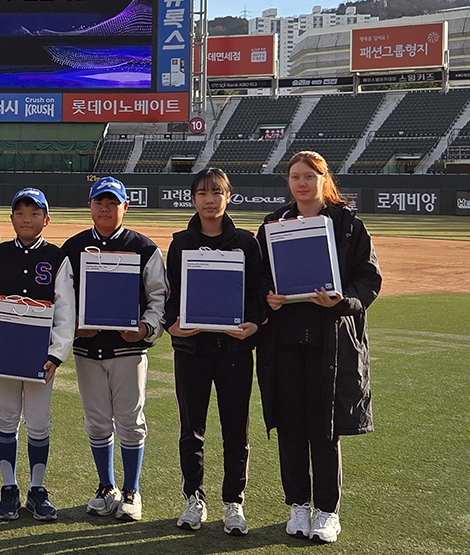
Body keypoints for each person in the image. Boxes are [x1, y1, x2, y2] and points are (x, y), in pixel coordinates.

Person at [256, 151, 381, 544]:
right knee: (291, 425)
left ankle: (328, 511)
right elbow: (258, 278)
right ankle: (297, 505)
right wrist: (268, 297)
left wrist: (341, 301)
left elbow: (369, 280)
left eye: (310, 176)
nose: (302, 183)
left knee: (325, 430)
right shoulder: (273, 223)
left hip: (331, 341)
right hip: (286, 340)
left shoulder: (348, 225)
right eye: (295, 176)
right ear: (288, 182)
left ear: (324, 180)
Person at [161, 168, 265, 535]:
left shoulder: (247, 243)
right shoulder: (180, 243)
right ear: (193, 199)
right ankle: (194, 498)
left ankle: (233, 502)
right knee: (192, 429)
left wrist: (253, 323)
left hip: (234, 351)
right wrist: (172, 323)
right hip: (191, 350)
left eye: (217, 192)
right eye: (203, 193)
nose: (210, 199)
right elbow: (168, 298)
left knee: (236, 429)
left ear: (228, 196)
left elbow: (257, 296)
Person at [0, 188, 76, 521]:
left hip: (40, 357)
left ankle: (37, 490)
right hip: (5, 355)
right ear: (11, 218)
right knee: (6, 418)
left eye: (34, 213)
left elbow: (66, 310)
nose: (27, 219)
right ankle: (9, 487)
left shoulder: (58, 258)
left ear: (46, 218)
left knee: (39, 423)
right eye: (21, 213)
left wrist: (56, 354)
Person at [60, 177, 165, 522]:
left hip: (128, 351)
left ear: (125, 206)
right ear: (90, 206)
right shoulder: (72, 248)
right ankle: (107, 487)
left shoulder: (144, 248)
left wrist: (146, 330)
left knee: (131, 422)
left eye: (113, 203)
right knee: (96, 422)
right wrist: (73, 327)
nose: (105, 209)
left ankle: (132, 489)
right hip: (87, 351)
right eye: (99, 202)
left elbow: (157, 298)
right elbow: (61, 300)